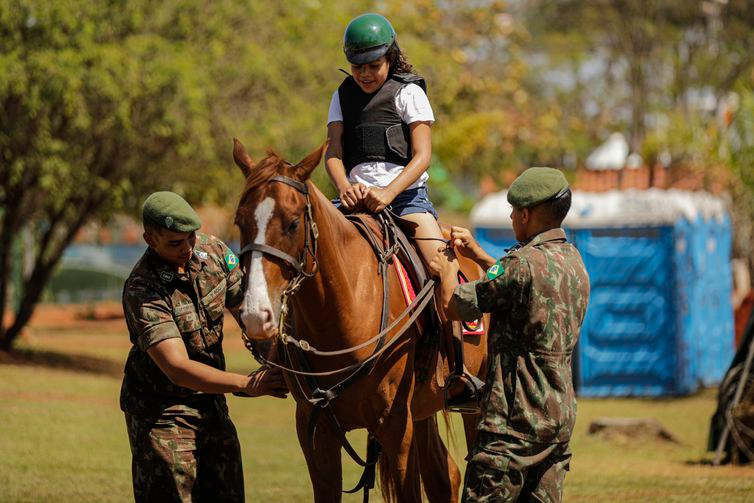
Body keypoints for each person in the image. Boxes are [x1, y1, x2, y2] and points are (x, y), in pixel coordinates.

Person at [429, 168, 591, 502]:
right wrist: (478, 255)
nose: (513, 217)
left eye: (515, 211)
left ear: (526, 214)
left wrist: (448, 272)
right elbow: (521, 286)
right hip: (557, 420)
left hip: (513, 425)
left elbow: (454, 306)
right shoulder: (573, 261)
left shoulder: (520, 264)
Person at [120, 191, 288, 502]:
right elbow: (177, 368)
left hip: (211, 407)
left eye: (190, 238)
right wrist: (248, 384)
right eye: (174, 243)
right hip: (163, 415)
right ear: (149, 238)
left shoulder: (213, 253)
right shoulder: (143, 288)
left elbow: (247, 315)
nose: (186, 248)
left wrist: (274, 357)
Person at [325, 12, 445, 269]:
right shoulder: (341, 96)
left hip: (406, 200)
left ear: (390, 58)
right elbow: (333, 152)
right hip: (355, 200)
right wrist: (344, 187)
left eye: (374, 65)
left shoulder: (409, 92)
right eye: (358, 67)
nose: (364, 74)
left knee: (442, 266)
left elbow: (422, 156)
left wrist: (388, 193)